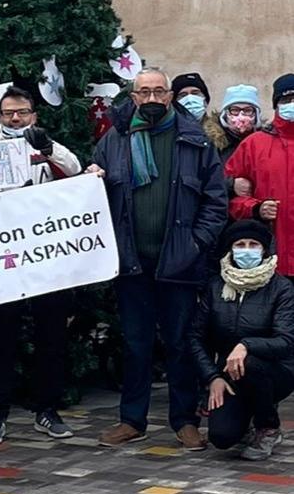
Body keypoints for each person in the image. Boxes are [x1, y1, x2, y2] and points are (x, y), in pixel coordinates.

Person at [88, 67, 227, 450]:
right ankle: (132, 419)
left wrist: (195, 244)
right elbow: (95, 200)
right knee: (135, 343)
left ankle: (184, 421)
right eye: (143, 92)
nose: (151, 99)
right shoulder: (114, 141)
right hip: (132, 262)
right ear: (133, 97)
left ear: (170, 97)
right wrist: (92, 180)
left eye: (158, 92)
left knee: (181, 342)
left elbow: (216, 202)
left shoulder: (195, 141)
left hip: (179, 263)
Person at [0, 85, 82, 444]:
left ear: (34, 115)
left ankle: (47, 410)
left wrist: (47, 147)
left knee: (51, 336)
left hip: (45, 258)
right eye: (9, 113)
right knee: (1, 338)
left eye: (22, 112)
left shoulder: (46, 144)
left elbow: (75, 169)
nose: (16, 119)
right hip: (5, 258)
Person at [190, 220, 294, 458]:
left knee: (249, 365)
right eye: (240, 244)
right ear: (231, 250)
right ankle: (246, 416)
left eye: (253, 244)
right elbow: (196, 337)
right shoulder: (216, 286)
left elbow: (286, 340)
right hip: (228, 373)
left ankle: (268, 426)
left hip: (275, 370)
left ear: (264, 250)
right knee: (222, 438)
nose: (247, 249)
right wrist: (212, 377)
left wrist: (246, 345)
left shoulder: (281, 288)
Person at [226, 74, 294, 278]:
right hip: (270, 257)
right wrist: (256, 209)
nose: (292, 104)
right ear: (275, 105)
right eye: (286, 100)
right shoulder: (254, 144)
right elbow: (226, 198)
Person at [203, 85, 262, 191]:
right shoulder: (210, 143)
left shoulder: (264, 143)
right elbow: (202, 178)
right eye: (234, 110)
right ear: (225, 114)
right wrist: (231, 184)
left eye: (248, 110)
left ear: (256, 114)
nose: (241, 116)